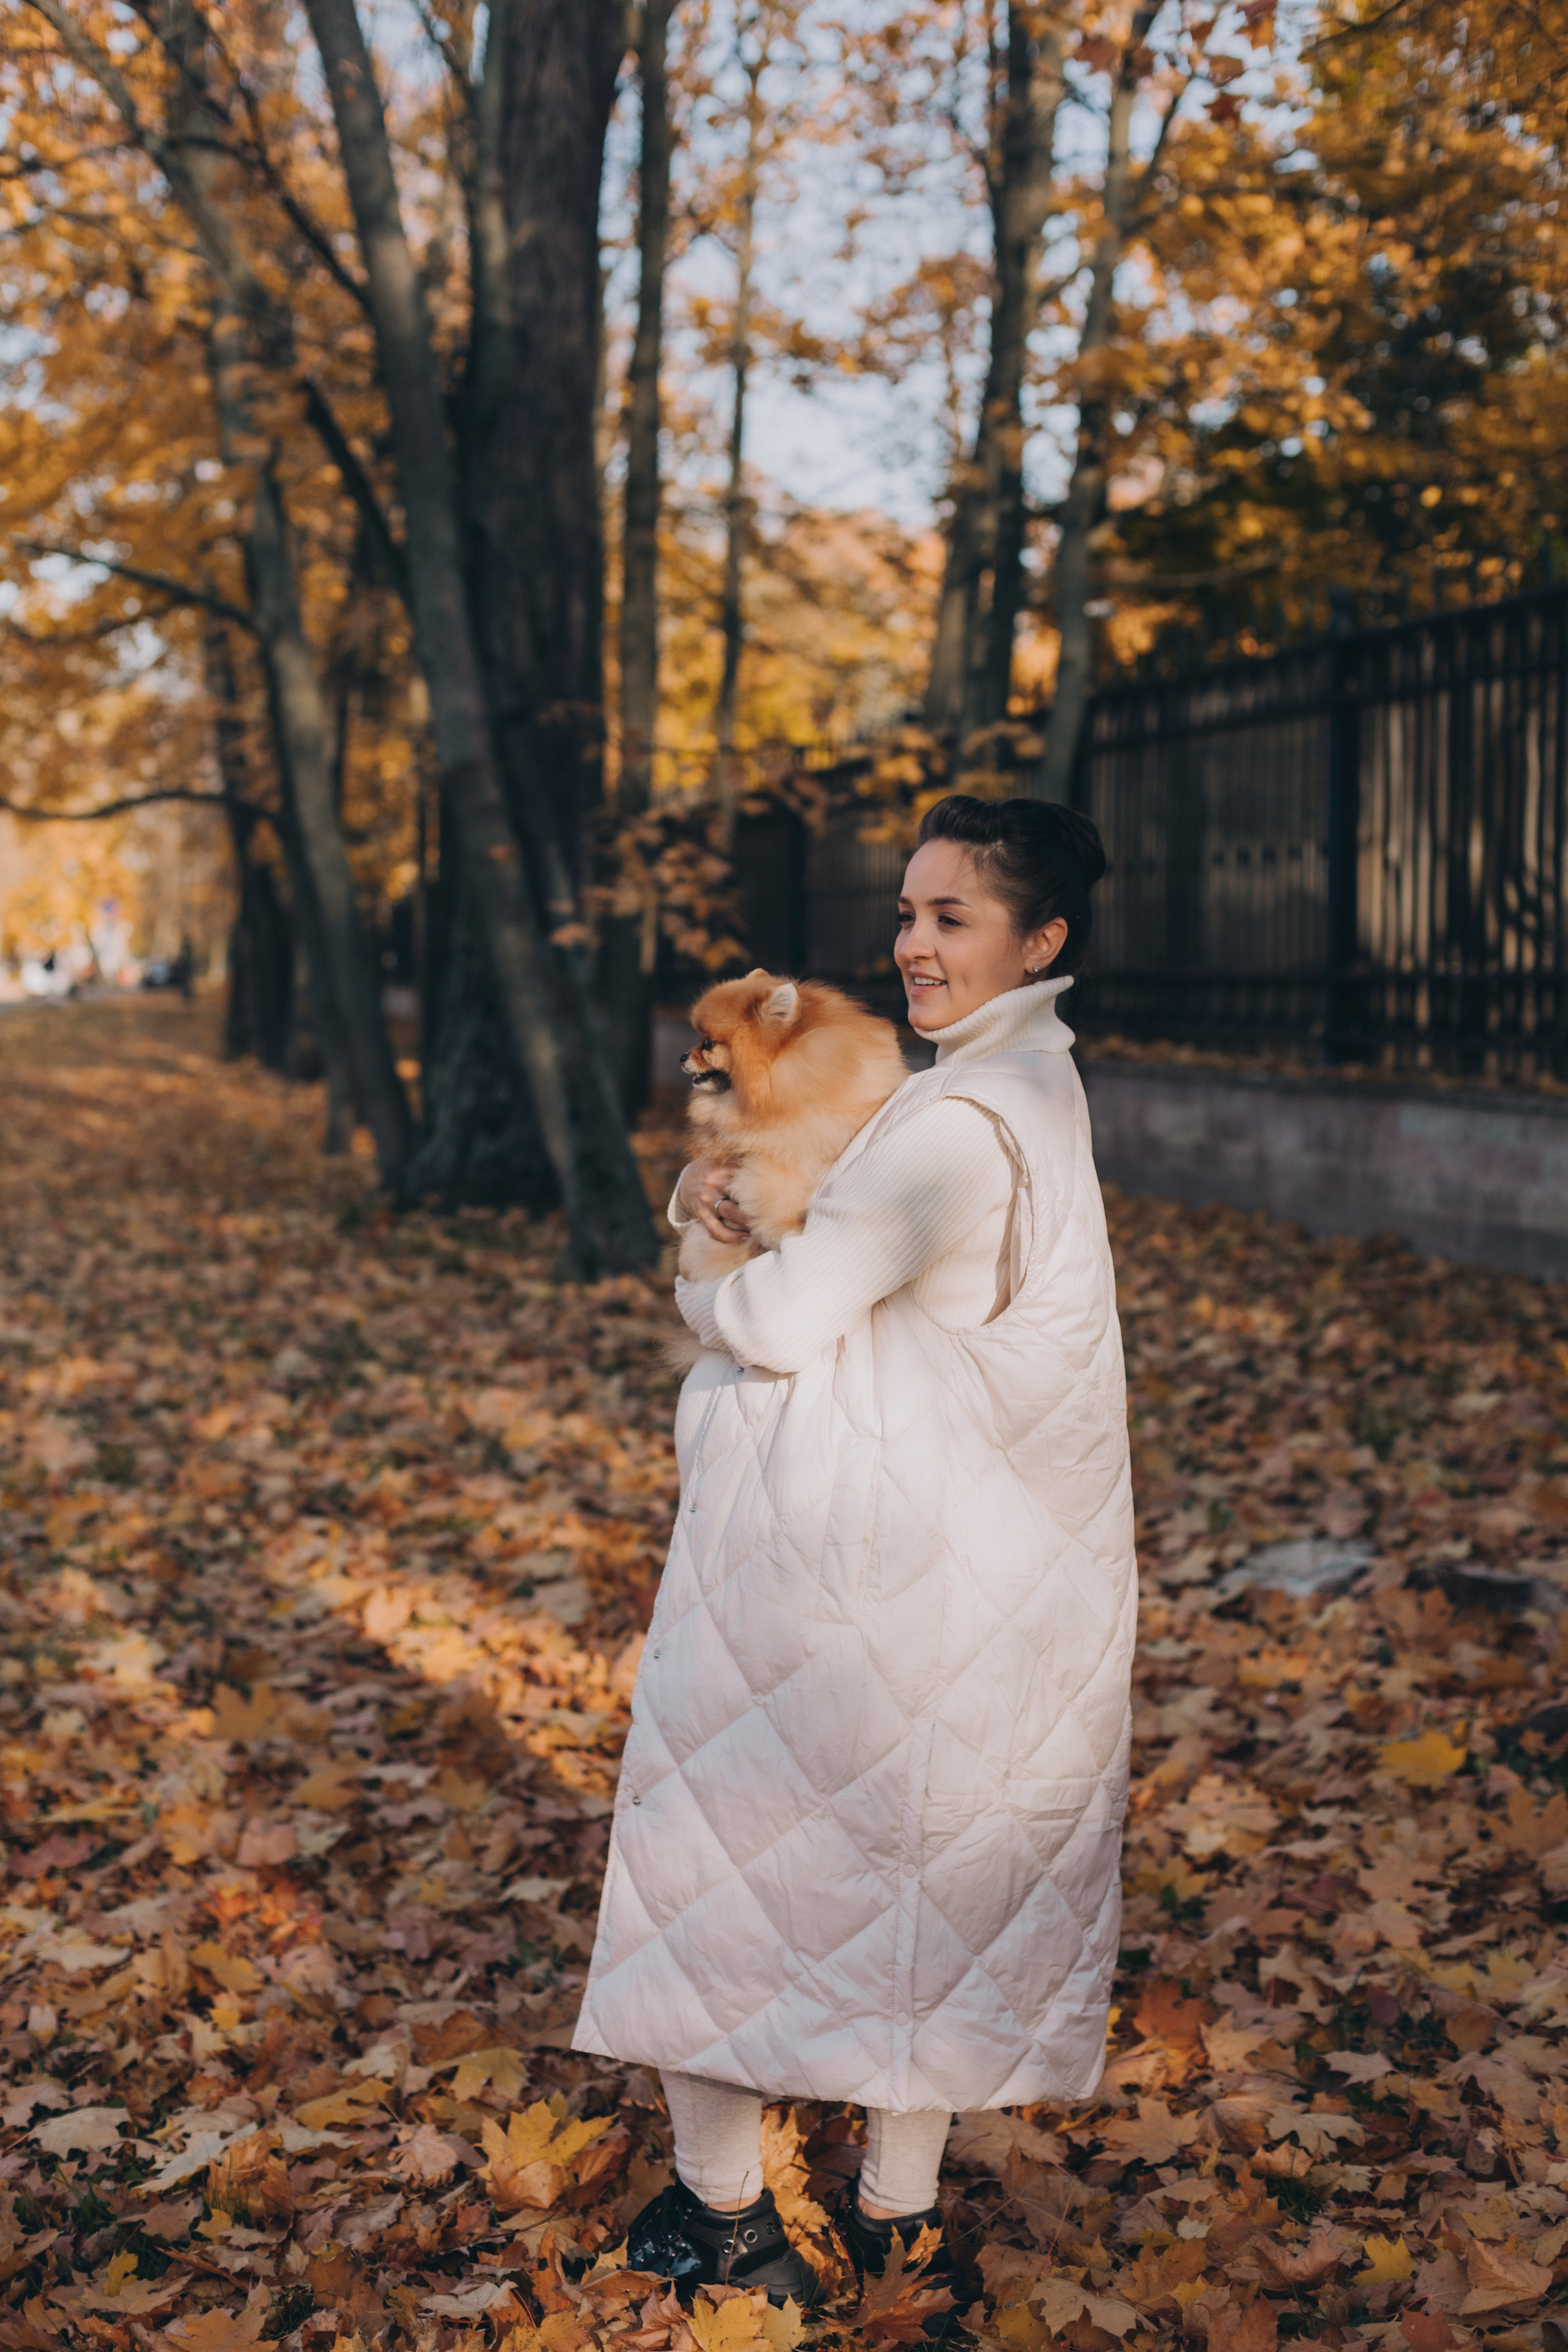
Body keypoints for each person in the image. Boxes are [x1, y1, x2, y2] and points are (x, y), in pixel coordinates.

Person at [574, 795, 1136, 2328]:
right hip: (967, 1576)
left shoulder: (960, 1123)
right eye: (904, 914)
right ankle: (895, 2228)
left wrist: (697, 1238)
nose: (911, 945)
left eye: (951, 919)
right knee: (917, 1905)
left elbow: (769, 1319)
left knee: (722, 1871)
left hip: (854, 1584)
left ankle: (721, 2213)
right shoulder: (1029, 1090)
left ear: (1040, 940)